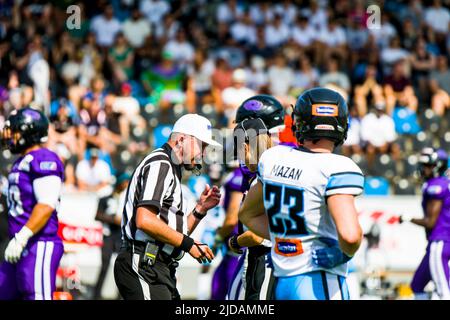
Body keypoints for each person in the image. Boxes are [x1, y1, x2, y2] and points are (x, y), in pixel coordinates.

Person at [239, 88, 364, 300]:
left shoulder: (274, 158)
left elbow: (247, 214)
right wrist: (343, 253)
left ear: (299, 121)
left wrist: (287, 239)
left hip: (283, 282)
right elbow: (350, 236)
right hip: (319, 281)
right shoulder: (338, 166)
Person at [114, 114, 222, 300]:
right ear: (181, 140)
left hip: (156, 266)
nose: (203, 153)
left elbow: (170, 231)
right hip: (144, 263)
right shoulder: (161, 164)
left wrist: (199, 210)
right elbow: (144, 220)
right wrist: (189, 244)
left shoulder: (170, 167)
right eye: (201, 145)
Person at [0, 107, 65, 300]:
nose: (10, 135)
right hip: (18, 244)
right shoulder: (21, 161)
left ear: (29, 131)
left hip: (38, 242)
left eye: (15, 130)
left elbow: (46, 204)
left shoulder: (43, 158)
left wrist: (22, 237)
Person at [400, 148, 450, 299]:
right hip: (437, 242)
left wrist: (408, 218)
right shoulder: (442, 184)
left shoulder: (437, 186)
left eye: (428, 165)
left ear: (437, 166)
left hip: (440, 241)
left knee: (443, 291)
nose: (424, 169)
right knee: (417, 284)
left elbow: (430, 222)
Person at [93, 173, 131, 300]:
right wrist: (113, 219)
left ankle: (120, 296)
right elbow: (97, 215)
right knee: (104, 267)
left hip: (121, 236)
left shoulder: (127, 199)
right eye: (124, 182)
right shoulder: (106, 198)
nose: (125, 185)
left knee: (122, 268)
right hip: (108, 235)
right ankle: (96, 295)